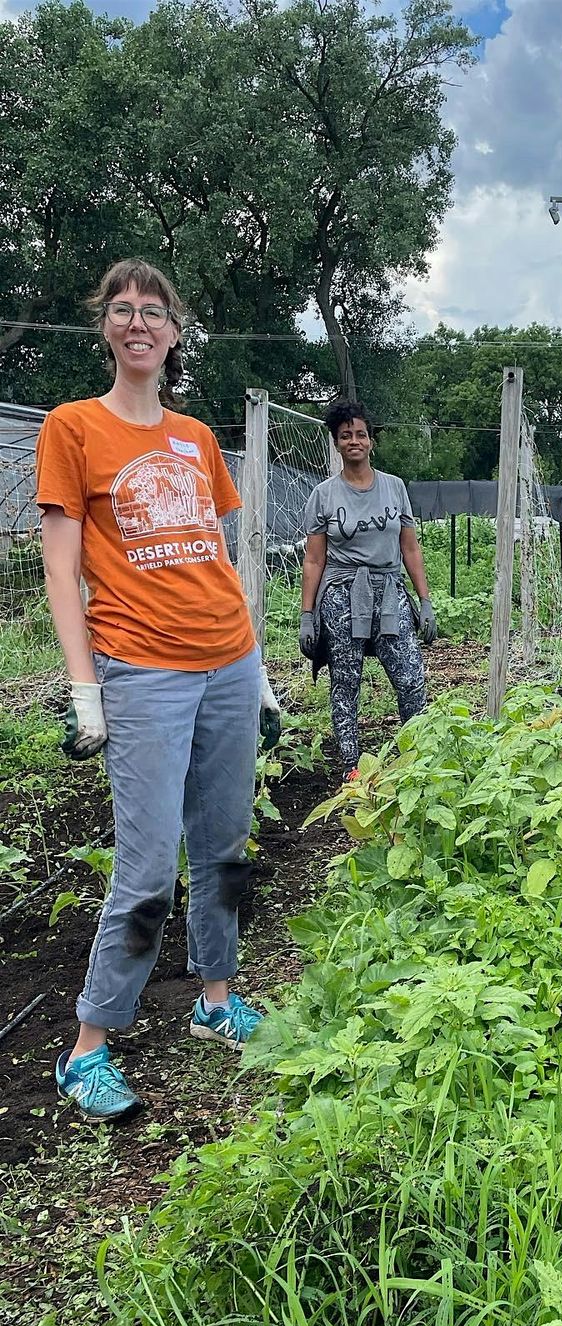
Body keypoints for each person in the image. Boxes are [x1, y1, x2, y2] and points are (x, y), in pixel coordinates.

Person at [37, 257, 280, 1124]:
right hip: (142, 669)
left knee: (225, 843)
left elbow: (213, 555)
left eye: (154, 311)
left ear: (174, 334)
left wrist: (261, 671)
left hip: (228, 659)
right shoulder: (73, 428)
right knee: (145, 868)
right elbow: (61, 569)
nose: (138, 321)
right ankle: (88, 1048)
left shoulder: (196, 438)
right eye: (122, 310)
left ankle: (218, 998)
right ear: (105, 328)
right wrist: (85, 690)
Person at [299, 401, 435, 781]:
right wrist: (307, 615)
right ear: (337, 443)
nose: (354, 441)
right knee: (346, 680)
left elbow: (410, 547)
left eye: (360, 434)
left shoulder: (394, 488)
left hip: (389, 591)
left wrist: (425, 601)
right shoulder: (324, 495)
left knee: (410, 678)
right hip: (343, 594)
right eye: (345, 436)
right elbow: (314, 559)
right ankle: (351, 766)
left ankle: (415, 757)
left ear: (371, 440)